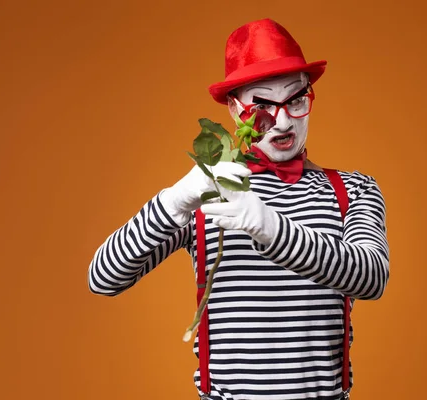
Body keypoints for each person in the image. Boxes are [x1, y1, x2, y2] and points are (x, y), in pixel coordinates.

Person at [88, 18, 390, 400]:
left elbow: (371, 277)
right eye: (262, 103)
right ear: (235, 109)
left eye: (295, 99)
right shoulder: (208, 192)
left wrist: (272, 229)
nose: (281, 120)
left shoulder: (353, 189)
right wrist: (173, 201)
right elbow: (103, 278)